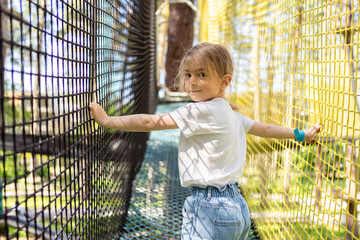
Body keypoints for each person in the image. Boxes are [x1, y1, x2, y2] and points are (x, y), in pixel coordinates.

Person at [89, 42, 321, 240]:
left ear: (224, 81)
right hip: (238, 209)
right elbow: (267, 129)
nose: (192, 82)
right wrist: (301, 135)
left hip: (209, 208)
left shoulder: (199, 112)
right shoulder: (234, 115)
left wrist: (108, 120)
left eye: (202, 74)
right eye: (188, 75)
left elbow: (152, 122)